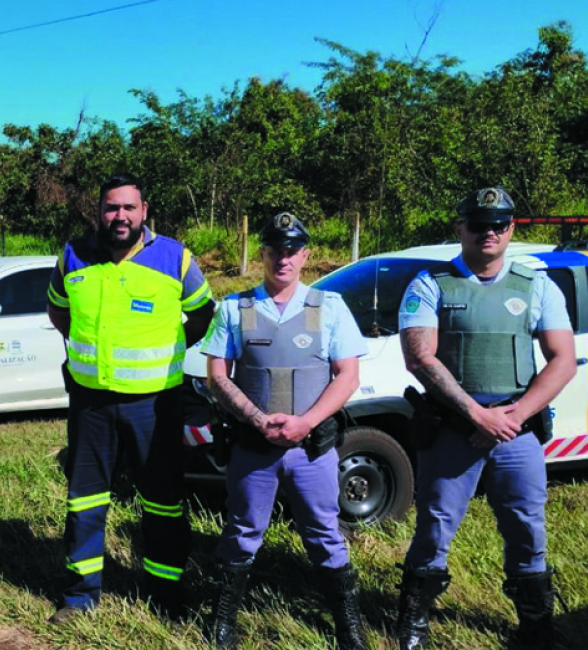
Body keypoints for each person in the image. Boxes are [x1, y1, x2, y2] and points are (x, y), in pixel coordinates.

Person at [395, 188, 575, 650]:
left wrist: (514, 415)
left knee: (526, 526)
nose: (488, 231)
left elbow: (562, 359)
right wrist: (476, 414)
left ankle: (535, 625)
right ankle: (413, 620)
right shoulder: (429, 285)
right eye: (477, 223)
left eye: (499, 222)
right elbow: (420, 358)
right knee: (435, 525)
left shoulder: (536, 286)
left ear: (512, 228)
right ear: (460, 229)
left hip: (517, 428)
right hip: (455, 428)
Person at [45, 173, 215, 624]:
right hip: (91, 403)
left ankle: (166, 596)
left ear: (144, 211)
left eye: (127, 208)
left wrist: (168, 346)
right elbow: (57, 310)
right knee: (85, 501)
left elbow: (203, 313)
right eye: (110, 207)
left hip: (154, 405)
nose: (119, 216)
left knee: (162, 501)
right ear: (98, 212)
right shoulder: (73, 256)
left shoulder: (175, 257)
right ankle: (80, 597)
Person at [202, 212, 369, 650]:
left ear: (306, 255)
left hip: (311, 449)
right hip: (255, 447)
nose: (284, 258)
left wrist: (305, 423)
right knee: (241, 533)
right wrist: (257, 419)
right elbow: (217, 376)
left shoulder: (329, 307)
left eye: (293, 250)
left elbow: (347, 377)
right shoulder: (235, 309)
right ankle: (224, 624)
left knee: (325, 534)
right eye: (275, 249)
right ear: (263, 253)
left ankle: (348, 626)